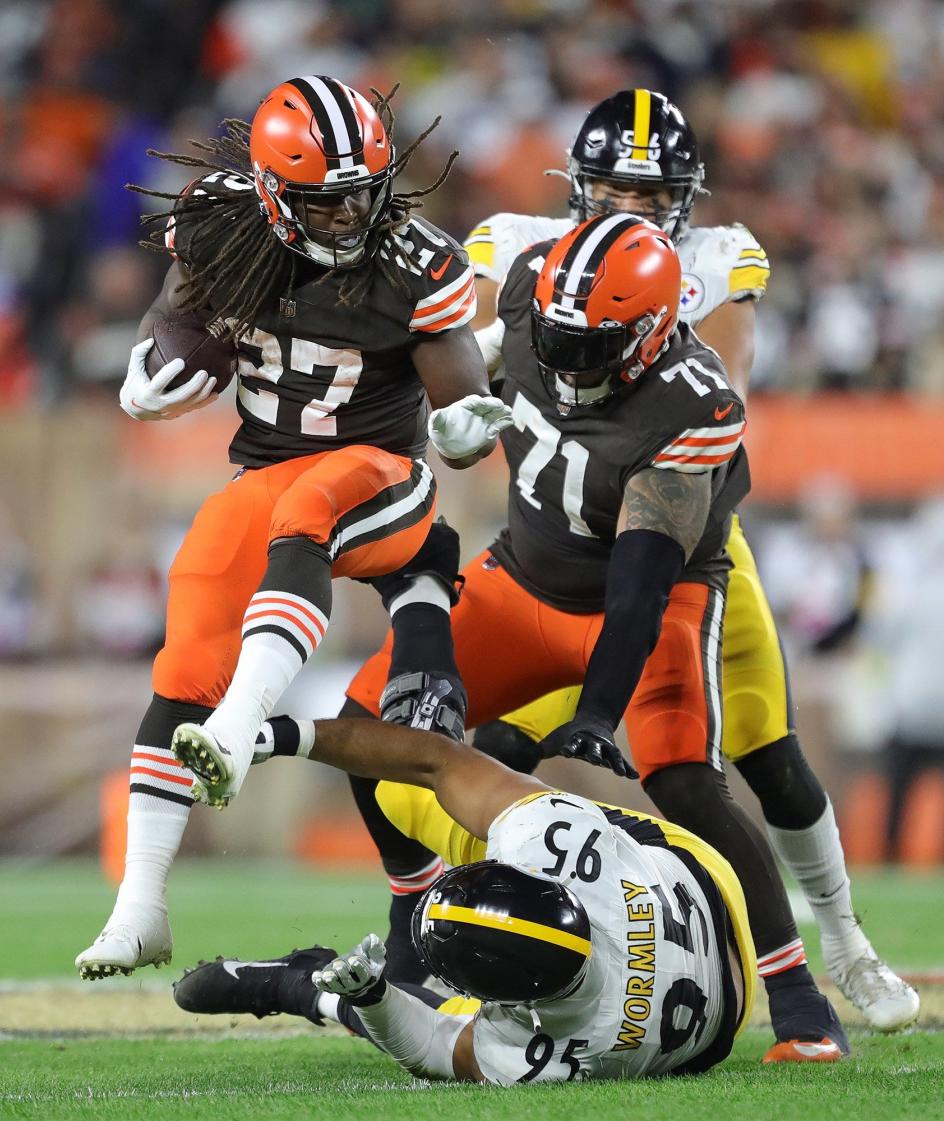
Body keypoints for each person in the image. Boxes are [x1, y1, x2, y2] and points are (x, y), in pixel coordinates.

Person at [257, 211, 848, 1062]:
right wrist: (454, 407)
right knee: (373, 728)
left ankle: (799, 997)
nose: (567, 361)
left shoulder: (696, 401)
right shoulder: (535, 290)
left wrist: (600, 713)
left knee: (682, 779)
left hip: (656, 597)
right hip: (523, 582)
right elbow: (459, 358)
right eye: (557, 338)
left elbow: (640, 585)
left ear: (652, 334)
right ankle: (411, 920)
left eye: (590, 346)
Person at [460, 88, 917, 1034]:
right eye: (610, 188)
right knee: (490, 741)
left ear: (685, 195)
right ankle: (473, 942)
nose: (629, 207)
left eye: (650, 190)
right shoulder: (517, 248)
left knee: (766, 751)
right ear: (577, 186)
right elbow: (469, 367)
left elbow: (727, 395)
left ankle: (844, 944)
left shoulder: (714, 260)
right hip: (559, 553)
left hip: (687, 541)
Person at [75, 76, 511, 981]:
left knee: (306, 509)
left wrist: (467, 423)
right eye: (329, 198)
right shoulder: (223, 223)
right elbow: (177, 317)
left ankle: (238, 728)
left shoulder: (414, 260)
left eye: (365, 191)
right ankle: (140, 903)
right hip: (266, 472)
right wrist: (151, 366)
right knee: (194, 607)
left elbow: (462, 400)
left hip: (383, 478)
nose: (353, 213)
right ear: (274, 192)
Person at [173, 715, 758, 1083]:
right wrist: (283, 738)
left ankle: (296, 983)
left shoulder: (539, 1048)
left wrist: (369, 998)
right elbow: (438, 762)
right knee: (417, 794)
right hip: (700, 889)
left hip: (705, 968)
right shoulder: (566, 839)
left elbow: (433, 1046)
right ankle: (339, 975)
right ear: (540, 881)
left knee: (402, 802)